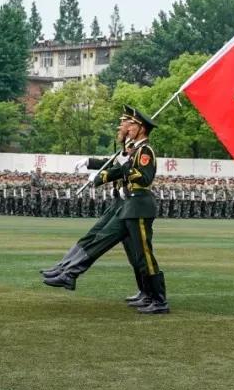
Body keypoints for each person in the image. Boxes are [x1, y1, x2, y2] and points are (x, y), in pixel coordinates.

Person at [43, 105, 169, 314]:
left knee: (143, 256)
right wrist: (93, 165)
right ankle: (146, 294)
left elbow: (144, 177)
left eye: (130, 124)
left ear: (141, 128)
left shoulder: (145, 151)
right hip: (128, 205)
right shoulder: (133, 149)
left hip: (138, 206)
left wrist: (119, 170)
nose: (126, 128)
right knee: (135, 256)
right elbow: (113, 165)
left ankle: (159, 300)